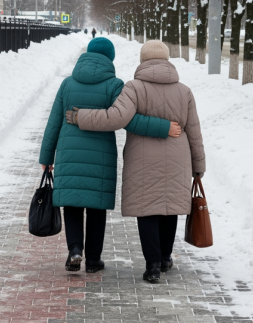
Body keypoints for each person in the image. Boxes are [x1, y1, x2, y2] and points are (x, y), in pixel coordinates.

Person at [65, 40, 205, 283]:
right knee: (169, 208)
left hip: (142, 159)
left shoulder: (133, 88)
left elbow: (115, 118)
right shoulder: (185, 91)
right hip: (177, 157)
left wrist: (81, 116)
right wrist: (199, 166)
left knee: (147, 208)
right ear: (167, 59)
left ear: (143, 61)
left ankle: (152, 266)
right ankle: (164, 258)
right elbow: (194, 131)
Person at [39, 38, 181, 274]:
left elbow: (53, 122)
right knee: (96, 207)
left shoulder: (67, 84)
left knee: (72, 204)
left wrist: (46, 157)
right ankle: (93, 260)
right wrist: (164, 128)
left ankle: (75, 250)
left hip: (68, 152)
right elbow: (129, 120)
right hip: (101, 155)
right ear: (110, 59)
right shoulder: (115, 85)